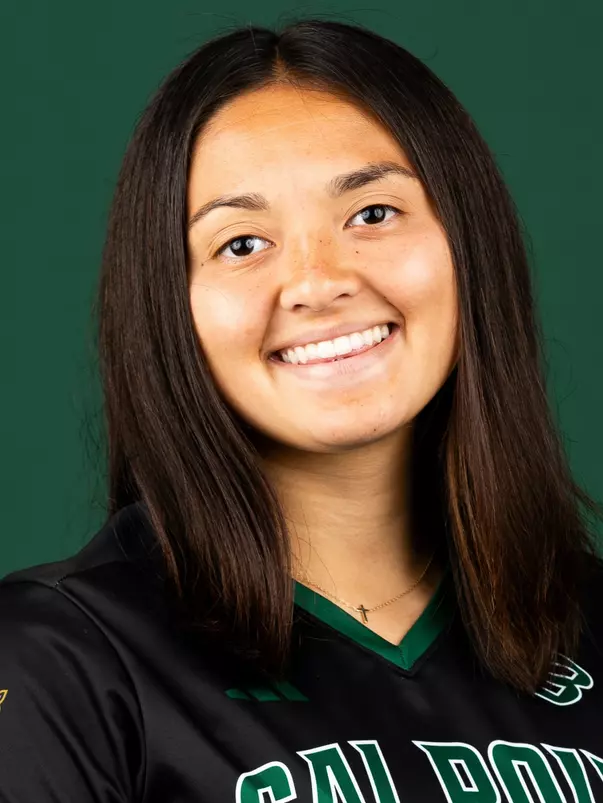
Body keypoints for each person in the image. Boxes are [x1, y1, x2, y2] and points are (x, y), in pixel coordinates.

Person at [1, 16, 602, 803]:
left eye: (372, 214)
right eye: (242, 244)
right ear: (168, 309)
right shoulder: (60, 658)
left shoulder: (587, 622)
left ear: (469, 243)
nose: (319, 282)